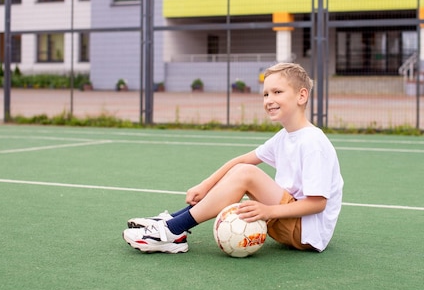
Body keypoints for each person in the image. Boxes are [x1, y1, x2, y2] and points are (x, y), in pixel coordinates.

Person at [123, 62, 343, 253]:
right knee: (242, 170)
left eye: (277, 92)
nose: (269, 100)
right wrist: (206, 184)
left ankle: (171, 232)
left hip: (307, 232)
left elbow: (318, 204)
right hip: (288, 219)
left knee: (246, 174)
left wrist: (269, 211)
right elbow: (241, 161)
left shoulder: (313, 142)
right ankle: (172, 221)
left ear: (301, 95)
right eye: (266, 94)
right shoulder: (284, 136)